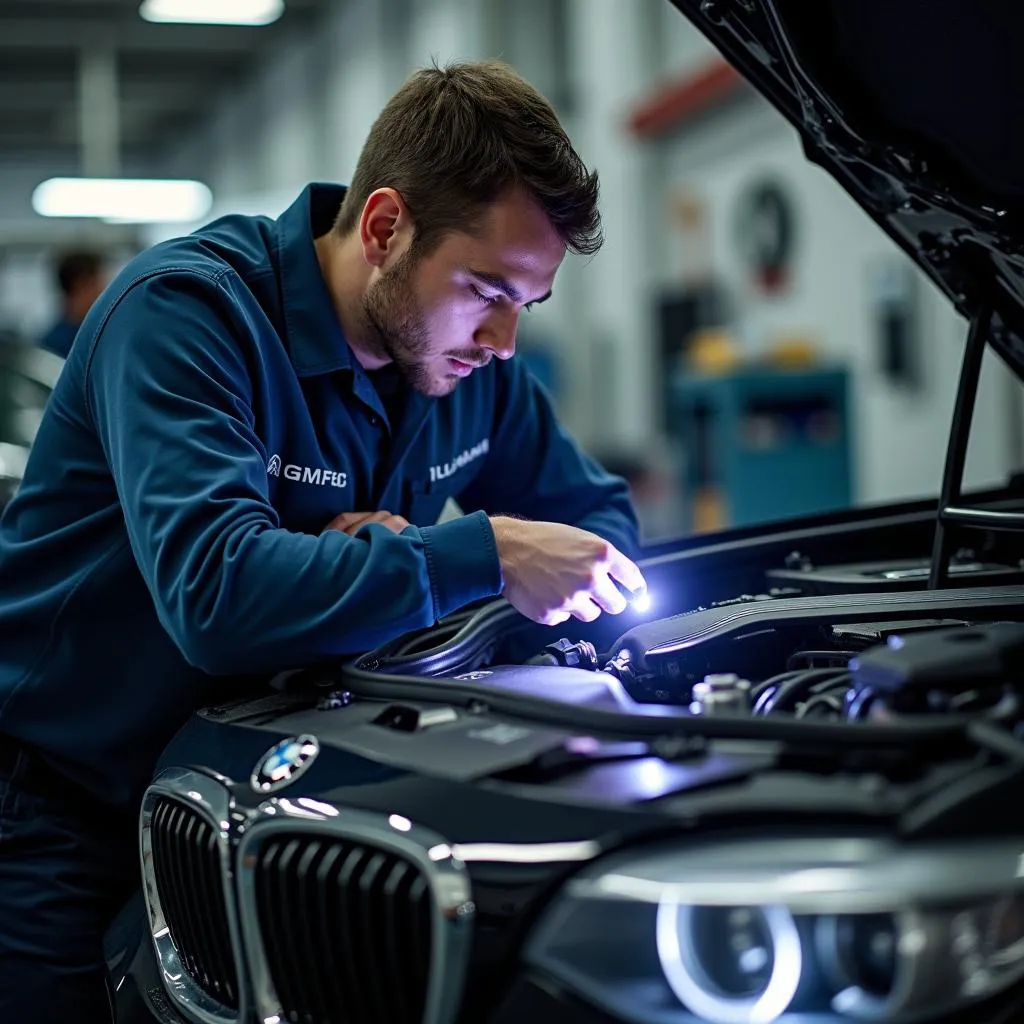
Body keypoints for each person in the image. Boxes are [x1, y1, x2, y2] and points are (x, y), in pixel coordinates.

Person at [0, 60, 646, 1019]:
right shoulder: (189, 317)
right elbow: (219, 599)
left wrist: (387, 569)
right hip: (65, 811)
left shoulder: (469, 368)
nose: (506, 339)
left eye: (528, 303)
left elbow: (598, 529)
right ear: (385, 228)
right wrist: (479, 554)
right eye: (484, 289)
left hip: (267, 792)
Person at [37, 249, 108, 358]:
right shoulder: (58, 346)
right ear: (82, 284)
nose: (103, 292)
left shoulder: (47, 344)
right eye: (99, 284)